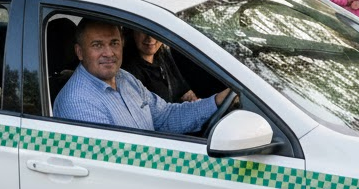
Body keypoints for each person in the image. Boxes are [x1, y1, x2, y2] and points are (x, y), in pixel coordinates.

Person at [53, 19, 229, 133]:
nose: (109, 53)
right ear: (80, 52)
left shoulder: (125, 78)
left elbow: (165, 116)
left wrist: (216, 102)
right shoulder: (78, 103)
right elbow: (117, 164)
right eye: (97, 45)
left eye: (114, 43)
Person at [122, 31, 198, 103]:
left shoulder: (163, 55)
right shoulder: (130, 73)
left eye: (154, 31)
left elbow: (183, 88)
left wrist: (190, 97)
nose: (150, 38)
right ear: (133, 32)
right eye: (143, 30)